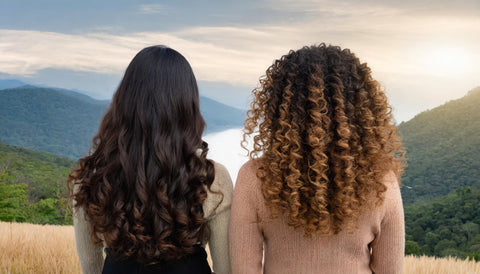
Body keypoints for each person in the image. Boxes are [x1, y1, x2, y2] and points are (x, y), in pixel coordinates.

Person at [230, 44, 405, 274]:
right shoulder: (381, 181)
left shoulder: (254, 177)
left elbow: (243, 269)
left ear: (280, 107)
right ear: (361, 108)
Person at [69, 45, 233, 274]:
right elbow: (227, 269)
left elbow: (91, 266)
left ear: (125, 101)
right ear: (188, 105)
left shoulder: (92, 176)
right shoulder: (212, 179)